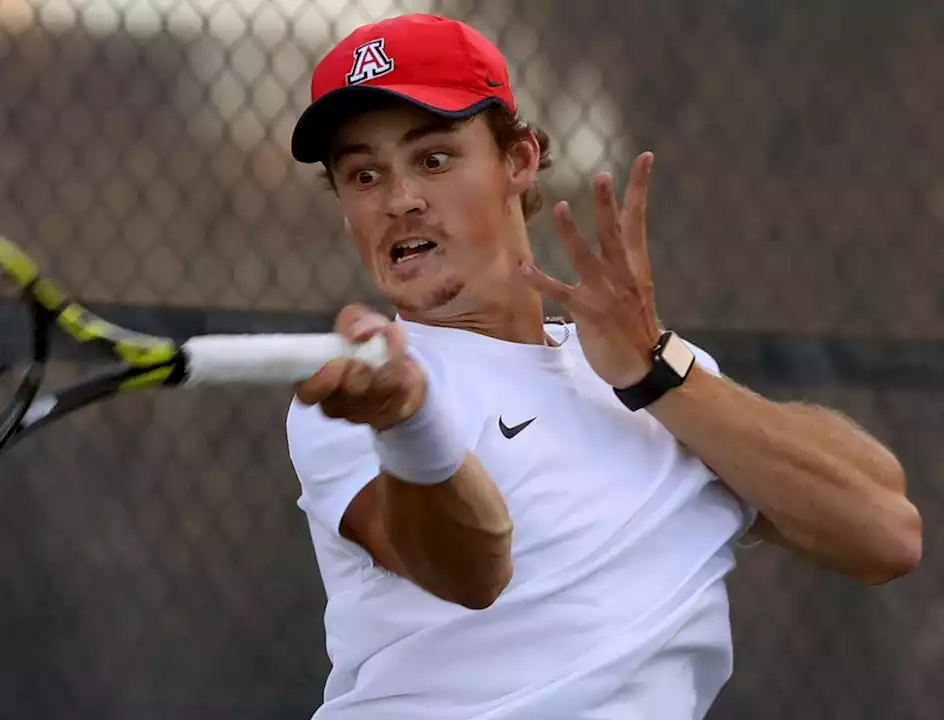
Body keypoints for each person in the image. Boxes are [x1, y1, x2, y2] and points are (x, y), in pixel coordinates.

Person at [284, 12, 921, 720]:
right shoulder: (358, 394)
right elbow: (467, 572)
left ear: (518, 161)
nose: (399, 199)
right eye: (364, 175)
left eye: (433, 159)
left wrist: (656, 372)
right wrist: (408, 423)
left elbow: (885, 533)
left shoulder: (649, 372)